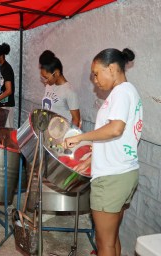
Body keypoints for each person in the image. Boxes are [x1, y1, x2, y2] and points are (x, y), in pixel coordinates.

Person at [64, 48, 143, 256]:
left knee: (104, 243)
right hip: (122, 173)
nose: (95, 80)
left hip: (111, 179)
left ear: (112, 68)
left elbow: (115, 129)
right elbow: (117, 139)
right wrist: (91, 158)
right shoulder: (126, 92)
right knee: (112, 237)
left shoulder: (122, 92)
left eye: (96, 74)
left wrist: (81, 137)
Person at [39, 50, 81, 127]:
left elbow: (76, 120)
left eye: (46, 77)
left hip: (60, 134)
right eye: (43, 78)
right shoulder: (49, 85)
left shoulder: (69, 92)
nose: (45, 81)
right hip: (47, 131)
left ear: (57, 73)